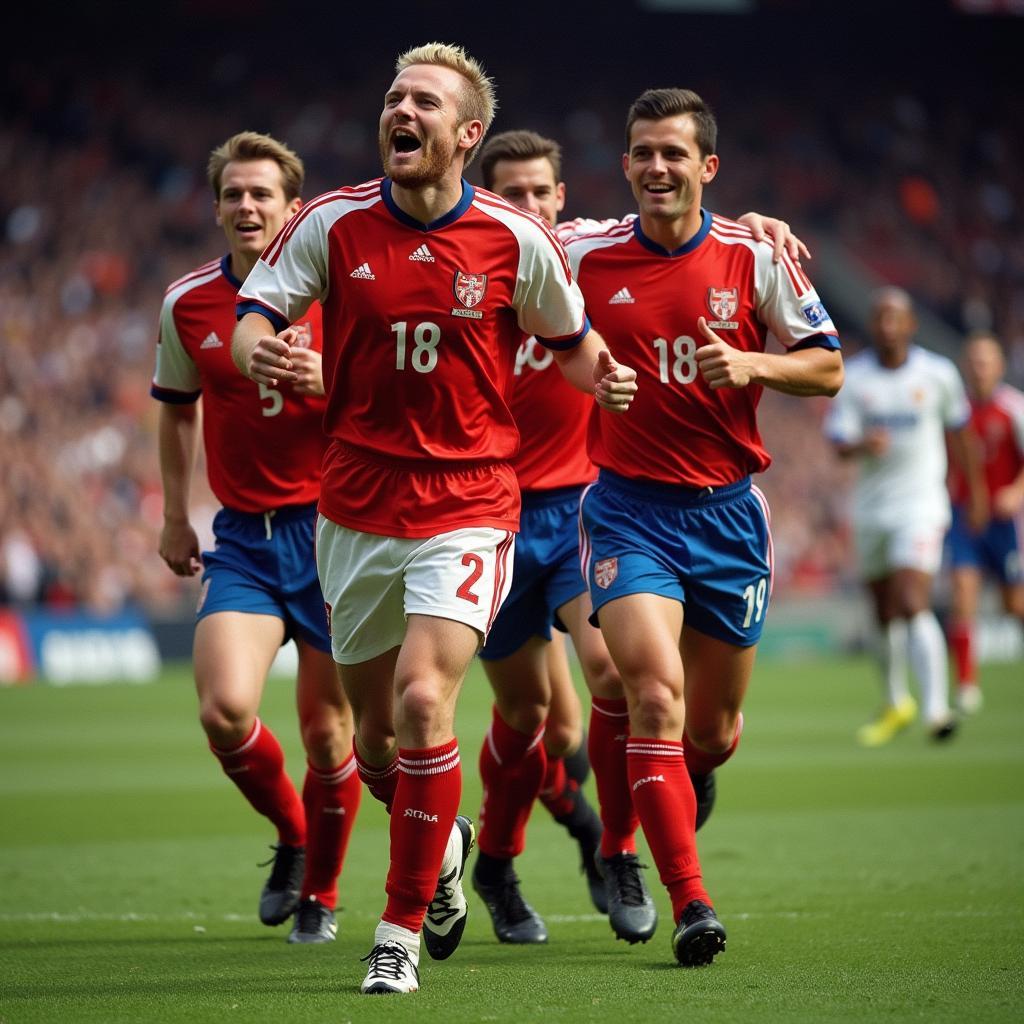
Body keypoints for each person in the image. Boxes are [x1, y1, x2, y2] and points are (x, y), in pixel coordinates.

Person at [231, 44, 636, 995]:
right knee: (377, 744)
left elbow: (571, 343)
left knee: (425, 701)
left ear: (466, 134)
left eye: (424, 100)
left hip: (469, 503)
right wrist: (261, 356)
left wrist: (604, 377)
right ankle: (443, 846)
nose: (400, 110)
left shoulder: (512, 237)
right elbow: (256, 314)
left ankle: (398, 933)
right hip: (357, 509)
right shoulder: (329, 222)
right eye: (393, 96)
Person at [471, 128, 811, 947]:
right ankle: (500, 860)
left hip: (591, 506)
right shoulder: (471, 277)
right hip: (489, 512)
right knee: (530, 718)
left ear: (563, 199)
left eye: (539, 194)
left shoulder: (579, 259)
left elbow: (694, 234)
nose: (526, 209)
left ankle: (620, 847)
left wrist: (754, 226)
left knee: (631, 691)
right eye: (508, 196)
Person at [567, 87, 844, 968]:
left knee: (711, 734)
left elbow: (828, 366)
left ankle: (690, 777)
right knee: (650, 691)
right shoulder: (583, 253)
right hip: (625, 511)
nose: (657, 167)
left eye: (674, 153)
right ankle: (691, 900)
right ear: (624, 164)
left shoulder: (754, 255)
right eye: (643, 152)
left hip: (727, 517)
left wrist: (754, 360)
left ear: (707, 167)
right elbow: (493, 229)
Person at [152, 132, 361, 944]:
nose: (247, 207)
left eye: (262, 195)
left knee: (327, 732)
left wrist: (333, 381)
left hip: (336, 533)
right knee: (226, 711)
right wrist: (175, 513)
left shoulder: (338, 296)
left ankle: (324, 894)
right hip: (242, 537)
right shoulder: (187, 303)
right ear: (216, 209)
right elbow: (176, 408)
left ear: (292, 208)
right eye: (234, 195)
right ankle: (294, 834)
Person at [825, 287, 986, 745]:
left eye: (896, 317)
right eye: (880, 318)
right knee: (883, 610)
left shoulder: (937, 375)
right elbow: (838, 444)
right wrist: (861, 445)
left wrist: (973, 494)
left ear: (911, 325)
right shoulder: (853, 378)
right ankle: (896, 700)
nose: (887, 326)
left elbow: (961, 437)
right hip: (871, 508)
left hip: (921, 505)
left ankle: (936, 709)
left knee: (912, 599)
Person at [946, 331, 1024, 713]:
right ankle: (966, 685)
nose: (978, 368)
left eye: (985, 361)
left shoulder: (1014, 409)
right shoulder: (954, 410)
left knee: (1015, 605)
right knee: (963, 593)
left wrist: (1017, 492)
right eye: (973, 361)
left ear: (999, 366)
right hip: (964, 519)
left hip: (1004, 523)